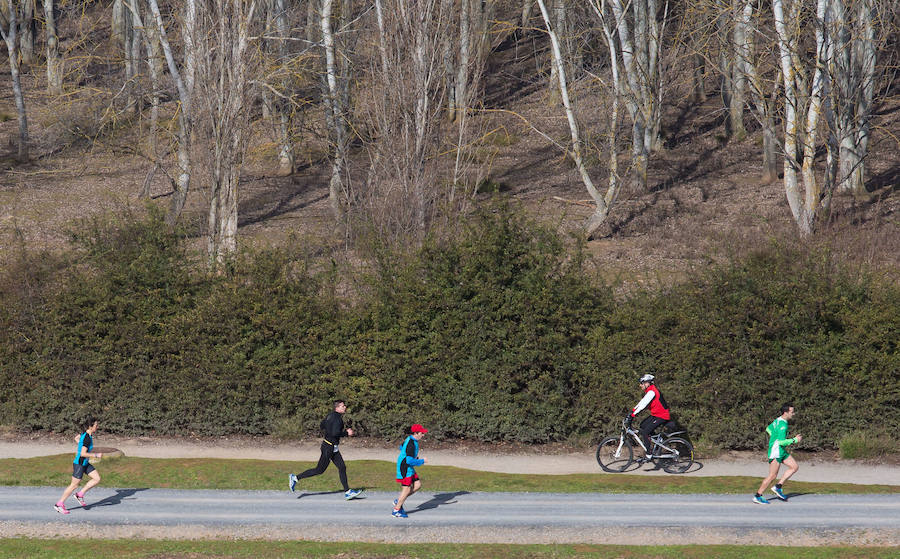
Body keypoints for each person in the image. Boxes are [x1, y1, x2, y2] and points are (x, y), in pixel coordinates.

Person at [289, 400, 363, 500]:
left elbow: (322, 425)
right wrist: (346, 433)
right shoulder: (338, 419)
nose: (344, 407)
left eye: (344, 406)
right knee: (319, 470)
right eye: (342, 406)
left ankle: (348, 492)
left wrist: (329, 432)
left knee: (342, 467)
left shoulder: (330, 415)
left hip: (332, 447)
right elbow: (335, 433)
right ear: (337, 408)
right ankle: (295, 478)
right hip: (328, 448)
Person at [754, 403, 802, 504]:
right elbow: (781, 442)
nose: (793, 414)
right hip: (776, 452)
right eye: (792, 412)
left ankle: (778, 487)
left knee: (794, 467)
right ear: (786, 412)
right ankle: (758, 496)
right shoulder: (783, 425)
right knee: (772, 476)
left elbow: (768, 429)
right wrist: (795, 440)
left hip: (781, 451)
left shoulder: (779, 420)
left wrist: (773, 437)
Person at [54, 417, 103, 514]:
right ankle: (59, 504)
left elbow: (76, 438)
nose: (97, 427)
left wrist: (80, 445)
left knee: (97, 479)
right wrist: (96, 455)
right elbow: (82, 454)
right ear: (91, 426)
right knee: (74, 485)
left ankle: (80, 495)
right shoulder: (87, 438)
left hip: (85, 463)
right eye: (96, 425)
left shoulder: (85, 435)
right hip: (79, 464)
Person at [626, 373, 671, 462]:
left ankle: (649, 454)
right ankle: (659, 439)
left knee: (645, 432)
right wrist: (632, 412)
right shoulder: (650, 391)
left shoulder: (652, 392)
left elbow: (643, 404)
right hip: (656, 415)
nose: (640, 385)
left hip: (662, 416)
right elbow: (641, 402)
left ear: (647, 383)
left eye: (642, 383)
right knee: (643, 425)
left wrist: (632, 415)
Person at [392, 424, 429, 518]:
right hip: (404, 468)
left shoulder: (411, 439)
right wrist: (422, 461)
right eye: (422, 433)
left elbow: (401, 447)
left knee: (417, 485)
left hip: (408, 467)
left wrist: (411, 456)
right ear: (416, 433)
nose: (423, 435)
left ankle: (399, 500)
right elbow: (409, 460)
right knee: (407, 489)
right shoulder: (411, 444)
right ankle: (396, 510)